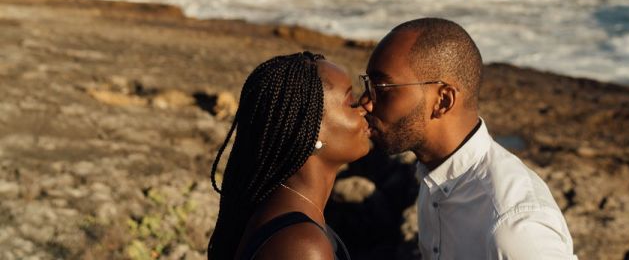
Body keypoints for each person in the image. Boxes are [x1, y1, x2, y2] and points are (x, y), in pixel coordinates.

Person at [359, 18, 577, 259]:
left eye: (381, 88)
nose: (365, 102)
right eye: (367, 85)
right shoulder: (436, 180)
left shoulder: (513, 226)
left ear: (443, 101)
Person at [208, 51, 371, 260]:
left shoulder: (288, 217)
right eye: (351, 102)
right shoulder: (302, 246)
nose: (365, 108)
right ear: (310, 130)